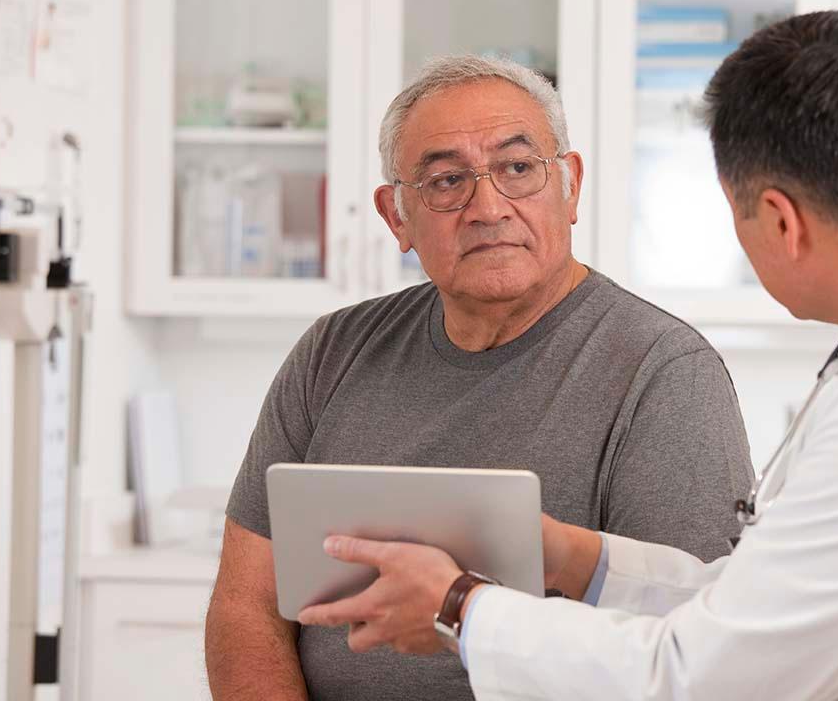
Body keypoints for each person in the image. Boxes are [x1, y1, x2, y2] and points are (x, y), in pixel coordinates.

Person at [296, 11, 838, 700]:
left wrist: (458, 608)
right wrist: (576, 557)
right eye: (445, 181)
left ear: (780, 221)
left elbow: (701, 681)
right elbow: (758, 613)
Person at [204, 55, 754, 700]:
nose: (487, 207)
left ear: (570, 186)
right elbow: (245, 605)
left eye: (519, 169)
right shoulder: (334, 352)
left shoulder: (665, 375)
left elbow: (689, 649)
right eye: (444, 181)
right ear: (396, 217)